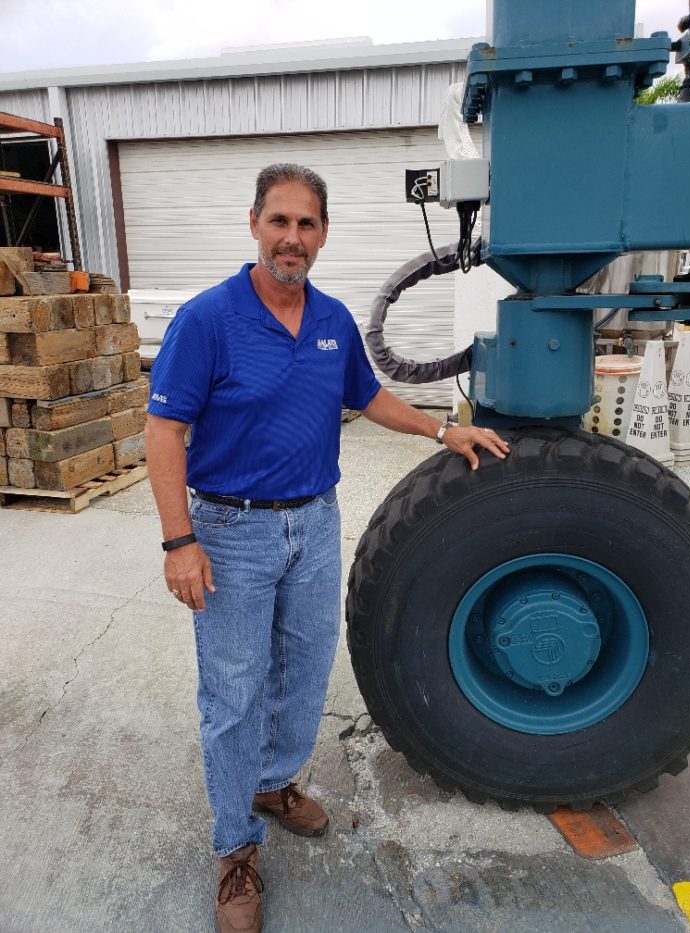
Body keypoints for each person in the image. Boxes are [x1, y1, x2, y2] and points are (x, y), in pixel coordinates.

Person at [145, 162, 509, 933]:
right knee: (235, 691)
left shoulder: (333, 319)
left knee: (305, 672)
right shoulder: (208, 319)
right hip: (231, 530)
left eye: (307, 224)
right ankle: (234, 851)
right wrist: (179, 540)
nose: (292, 237)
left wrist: (443, 429)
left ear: (323, 235)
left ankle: (273, 784)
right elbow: (164, 430)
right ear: (254, 225)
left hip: (312, 524)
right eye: (279, 221)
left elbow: (365, 394)